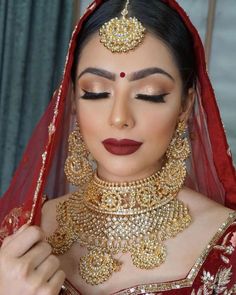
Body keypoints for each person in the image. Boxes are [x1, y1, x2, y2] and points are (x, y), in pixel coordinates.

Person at [0, 0, 236, 294]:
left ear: (185, 106)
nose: (120, 117)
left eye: (150, 94)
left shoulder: (226, 245)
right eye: (96, 92)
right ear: (72, 100)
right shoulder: (18, 238)